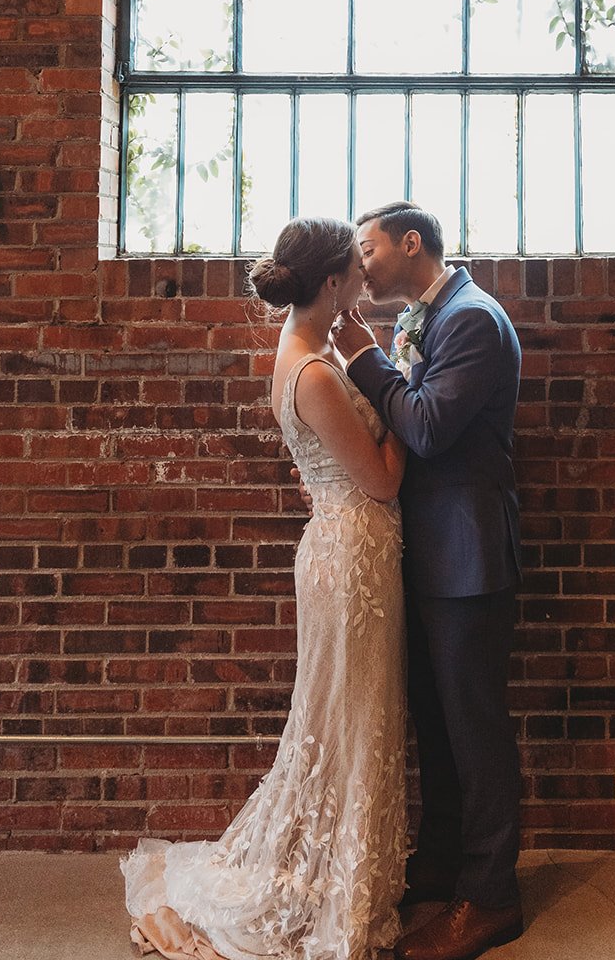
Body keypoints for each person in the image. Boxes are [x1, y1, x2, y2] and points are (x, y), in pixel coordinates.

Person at [122, 216, 408, 960]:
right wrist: (405, 407)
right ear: (332, 284)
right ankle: (319, 880)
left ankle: (339, 866)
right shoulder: (313, 370)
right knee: (346, 719)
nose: (364, 282)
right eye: (355, 269)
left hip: (346, 550)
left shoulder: (305, 351)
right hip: (351, 559)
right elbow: (378, 480)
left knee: (347, 716)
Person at [332, 202, 523, 960]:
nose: (362, 263)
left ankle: (491, 899)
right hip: (428, 551)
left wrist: (364, 358)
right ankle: (443, 868)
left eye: (368, 248)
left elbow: (431, 426)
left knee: (473, 729)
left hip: (467, 553)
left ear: (412, 244)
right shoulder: (426, 315)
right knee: (437, 728)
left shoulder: (472, 318)